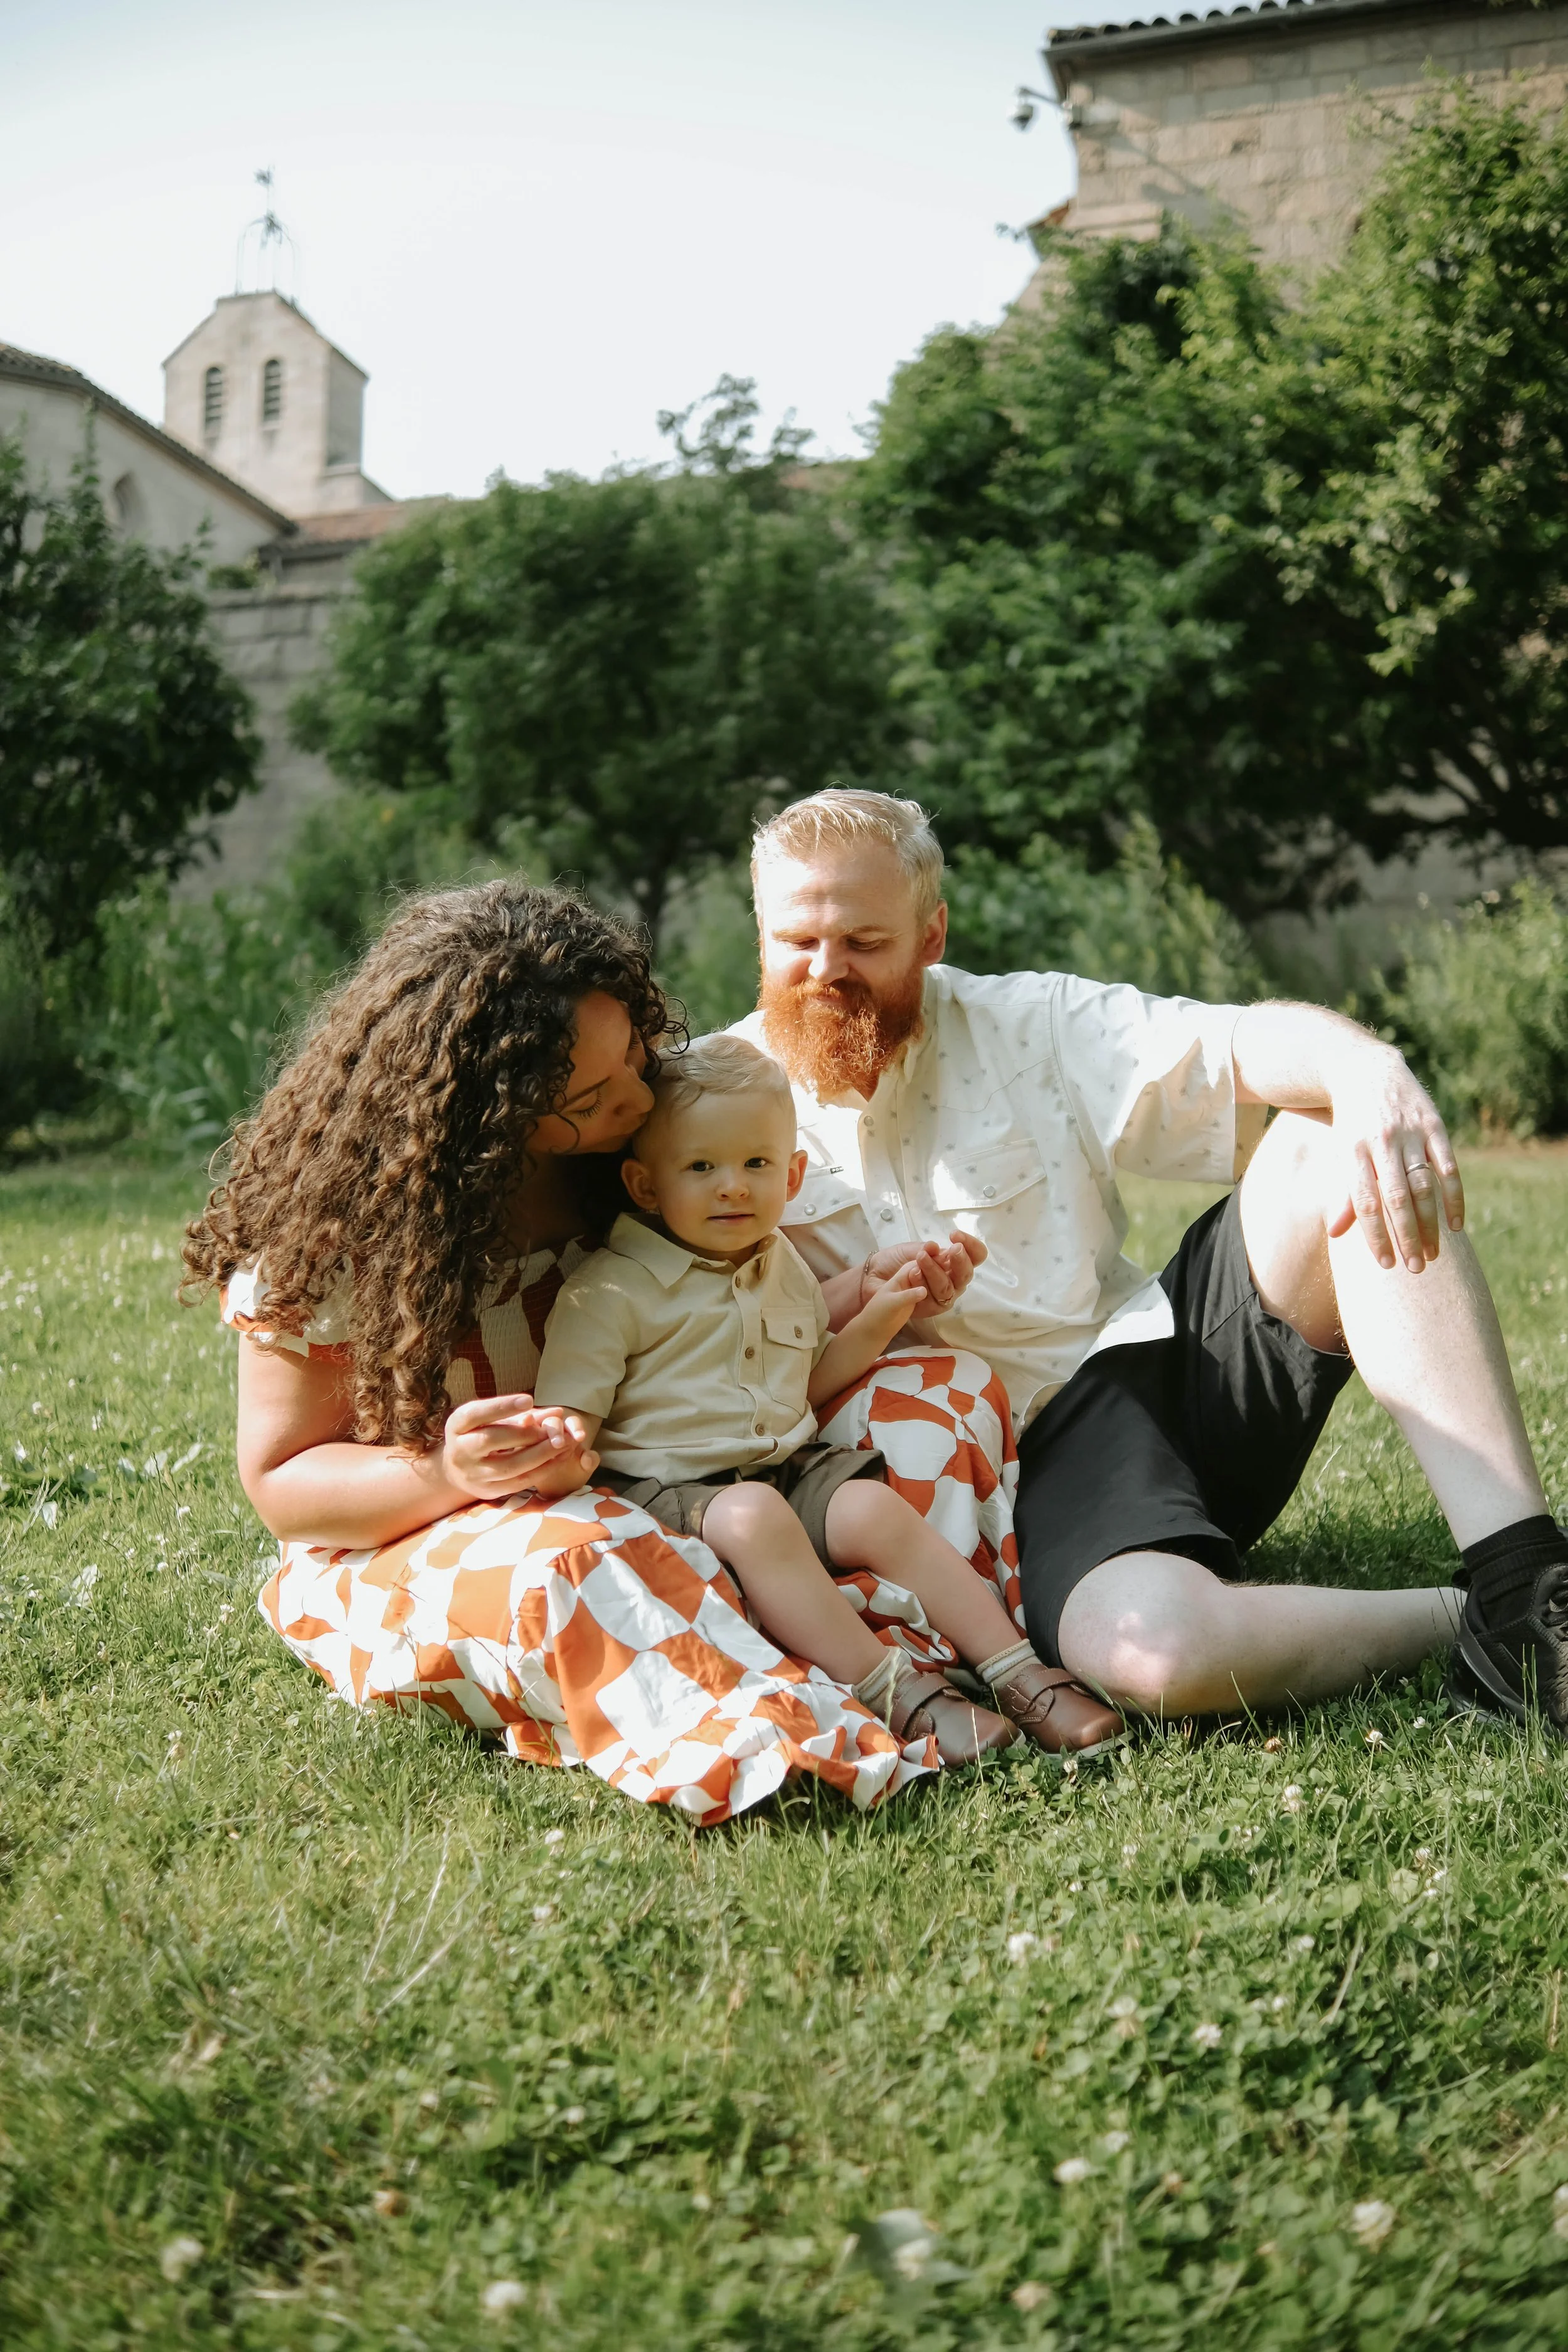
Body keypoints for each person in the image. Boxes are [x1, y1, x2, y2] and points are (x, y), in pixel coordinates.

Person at [181, 879, 1026, 1825]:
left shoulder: (626, 1163)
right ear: (488, 1115)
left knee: (931, 1388)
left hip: (681, 1475)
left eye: (632, 1051)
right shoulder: (341, 1245)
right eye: (592, 1093)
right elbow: (284, 1482)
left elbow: (722, 1326)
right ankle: (785, 1710)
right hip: (447, 1533)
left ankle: (919, 1651)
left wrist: (863, 1298)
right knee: (581, 1553)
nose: (640, 1092)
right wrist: (452, 1469)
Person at [729, 787, 1568, 1734]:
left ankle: (1528, 1576)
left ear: (932, 934)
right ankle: (1474, 1619)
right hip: (999, 1487)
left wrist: (1368, 1069)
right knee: (1158, 1654)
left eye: (864, 942)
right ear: (760, 931)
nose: (826, 970)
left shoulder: (1031, 1024)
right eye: (797, 941)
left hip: (1160, 1379)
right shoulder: (712, 1109)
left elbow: (1238, 1044)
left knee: (1337, 1135)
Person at [531, 1035, 1121, 1761]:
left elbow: (806, 1379)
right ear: (646, 1185)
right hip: (662, 1490)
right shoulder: (611, 1290)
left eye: (756, 1164)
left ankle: (1020, 1673)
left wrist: (881, 1315)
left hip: (779, 1465)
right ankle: (903, 1697)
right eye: (700, 1167)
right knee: (755, 1518)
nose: (733, 1186)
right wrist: (553, 1451)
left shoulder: (781, 1267)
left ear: (794, 1173)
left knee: (872, 1505)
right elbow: (567, 1423)